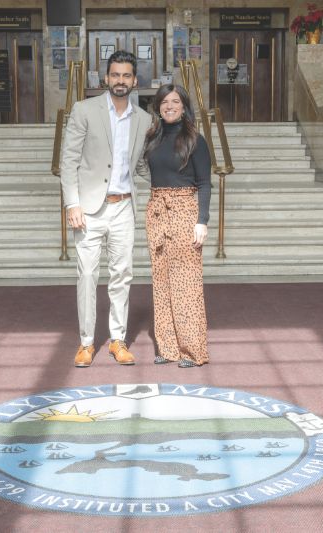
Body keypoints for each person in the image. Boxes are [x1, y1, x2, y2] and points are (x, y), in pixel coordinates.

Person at [60, 50, 151, 368]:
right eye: (115, 75)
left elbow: (140, 164)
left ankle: (118, 340)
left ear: (135, 80)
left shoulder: (144, 119)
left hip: (124, 207)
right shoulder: (84, 110)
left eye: (127, 75)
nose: (121, 80)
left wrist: (170, 183)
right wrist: (72, 203)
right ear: (106, 78)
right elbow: (68, 160)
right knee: (87, 275)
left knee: (122, 276)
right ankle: (86, 343)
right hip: (89, 209)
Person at [142, 84, 211, 368]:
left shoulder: (196, 139)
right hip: (157, 211)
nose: (169, 106)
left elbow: (205, 182)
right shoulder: (153, 138)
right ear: (158, 106)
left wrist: (202, 221)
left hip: (184, 210)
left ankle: (192, 351)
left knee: (186, 283)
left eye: (175, 101)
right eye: (164, 102)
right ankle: (168, 348)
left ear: (184, 106)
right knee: (161, 283)